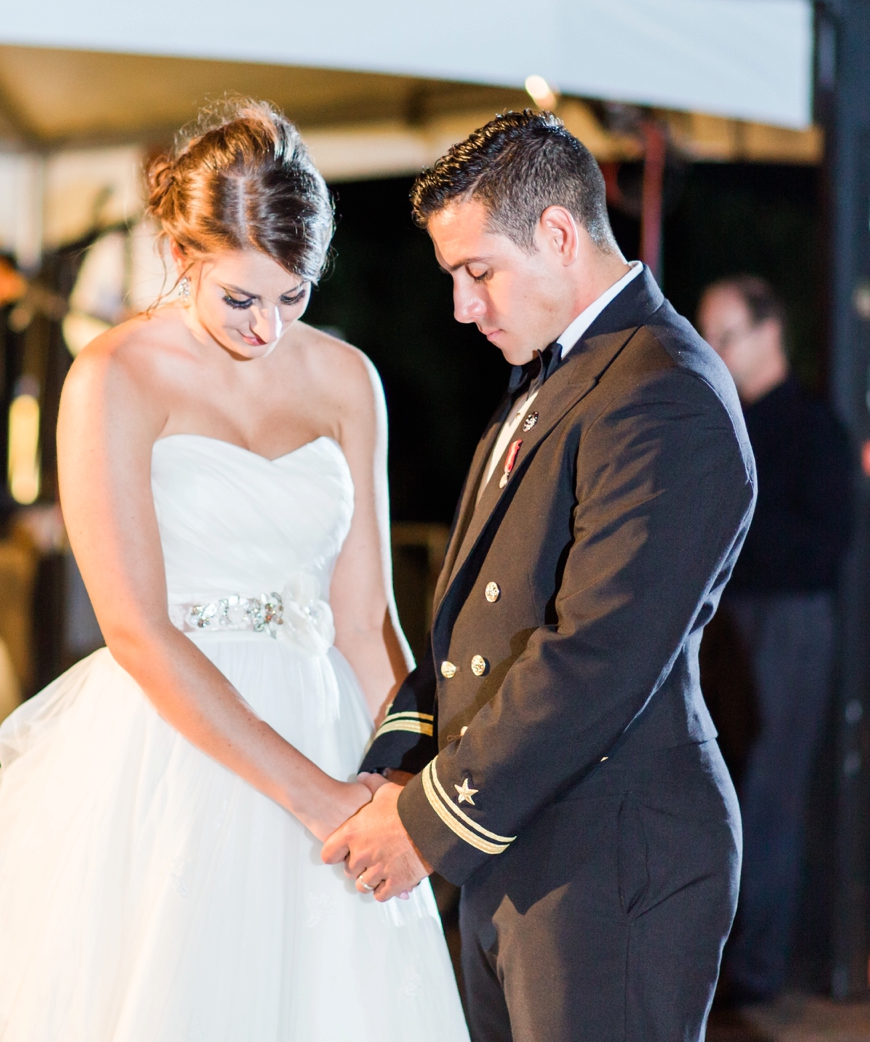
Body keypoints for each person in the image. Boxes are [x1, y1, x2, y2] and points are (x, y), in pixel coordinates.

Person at [0, 102, 465, 1040]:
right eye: (240, 298)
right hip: (172, 747)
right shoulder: (112, 376)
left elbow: (365, 617)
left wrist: (405, 779)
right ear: (183, 254)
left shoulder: (347, 380)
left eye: (293, 297)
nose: (267, 327)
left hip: (331, 726)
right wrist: (313, 794)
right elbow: (135, 626)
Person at [323, 111, 757, 1042]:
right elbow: (473, 631)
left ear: (559, 235)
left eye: (477, 272)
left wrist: (426, 819)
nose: (462, 307)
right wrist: (397, 766)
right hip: (525, 842)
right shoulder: (566, 374)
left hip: (610, 860)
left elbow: (595, 654)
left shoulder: (664, 390)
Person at [696, 275, 854, 1004]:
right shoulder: (730, 417)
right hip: (731, 622)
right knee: (721, 786)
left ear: (769, 333)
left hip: (787, 621)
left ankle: (754, 968)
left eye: (724, 336)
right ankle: (728, 957)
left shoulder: (814, 426)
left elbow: (824, 548)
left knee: (768, 795)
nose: (714, 351)